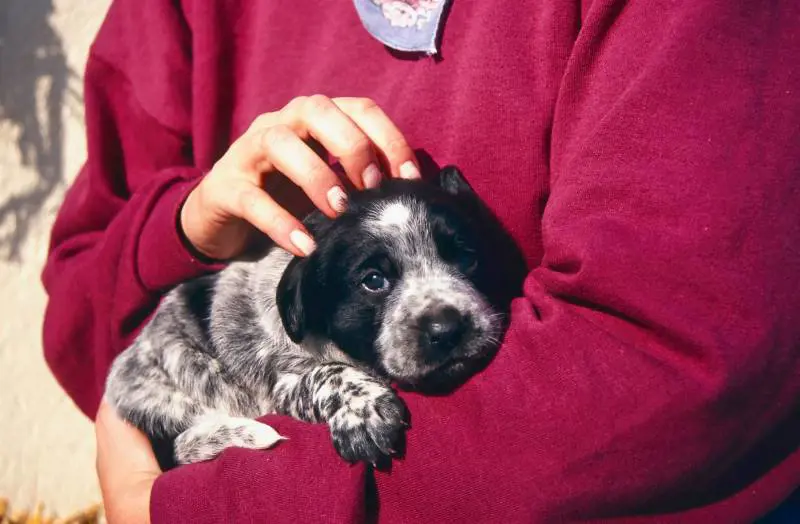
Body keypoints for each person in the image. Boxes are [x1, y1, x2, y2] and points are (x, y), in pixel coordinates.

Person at [42, 1, 800, 523]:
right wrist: (191, 226)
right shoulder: (179, 14)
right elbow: (84, 322)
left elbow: (673, 368)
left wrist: (187, 509)